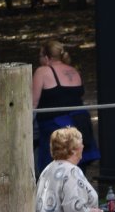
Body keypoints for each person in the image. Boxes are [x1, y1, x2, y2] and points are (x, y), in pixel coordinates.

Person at [31, 40, 97, 174]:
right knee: (76, 165)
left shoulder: (42, 71)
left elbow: (33, 104)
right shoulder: (74, 71)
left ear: (47, 58)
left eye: (40, 56)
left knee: (53, 167)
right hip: (80, 123)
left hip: (55, 126)